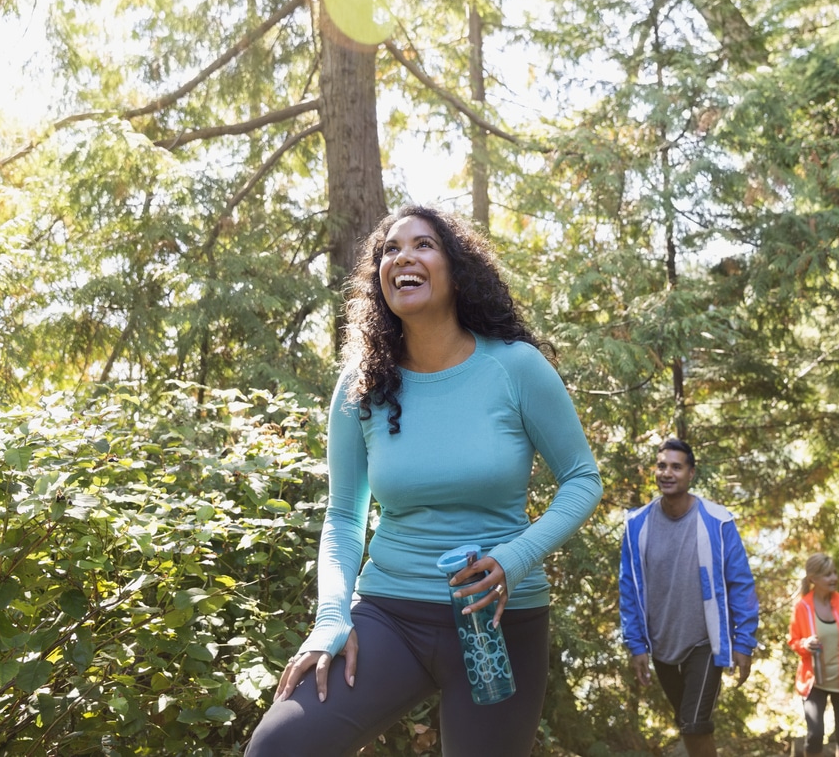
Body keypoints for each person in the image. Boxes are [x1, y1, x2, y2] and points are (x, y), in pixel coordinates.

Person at [246, 206, 603, 757]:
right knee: (280, 746)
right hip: (391, 613)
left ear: (457, 270)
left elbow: (581, 480)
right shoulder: (362, 382)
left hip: (499, 620)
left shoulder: (516, 367)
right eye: (390, 249)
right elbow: (344, 515)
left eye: (423, 245)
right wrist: (330, 618)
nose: (403, 257)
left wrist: (514, 558)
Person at [618, 437, 760, 757]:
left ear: (691, 473)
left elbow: (741, 584)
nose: (667, 473)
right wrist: (636, 645)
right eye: (662, 466)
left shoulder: (717, 520)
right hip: (661, 643)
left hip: (705, 641)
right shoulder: (637, 525)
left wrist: (744, 642)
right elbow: (629, 588)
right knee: (688, 724)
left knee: (694, 723)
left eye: (676, 467)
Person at [788, 553, 839, 757]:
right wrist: (804, 644)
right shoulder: (802, 607)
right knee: (815, 735)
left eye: (834, 573)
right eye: (827, 575)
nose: (833, 578)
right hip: (814, 681)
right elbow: (793, 641)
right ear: (813, 579)